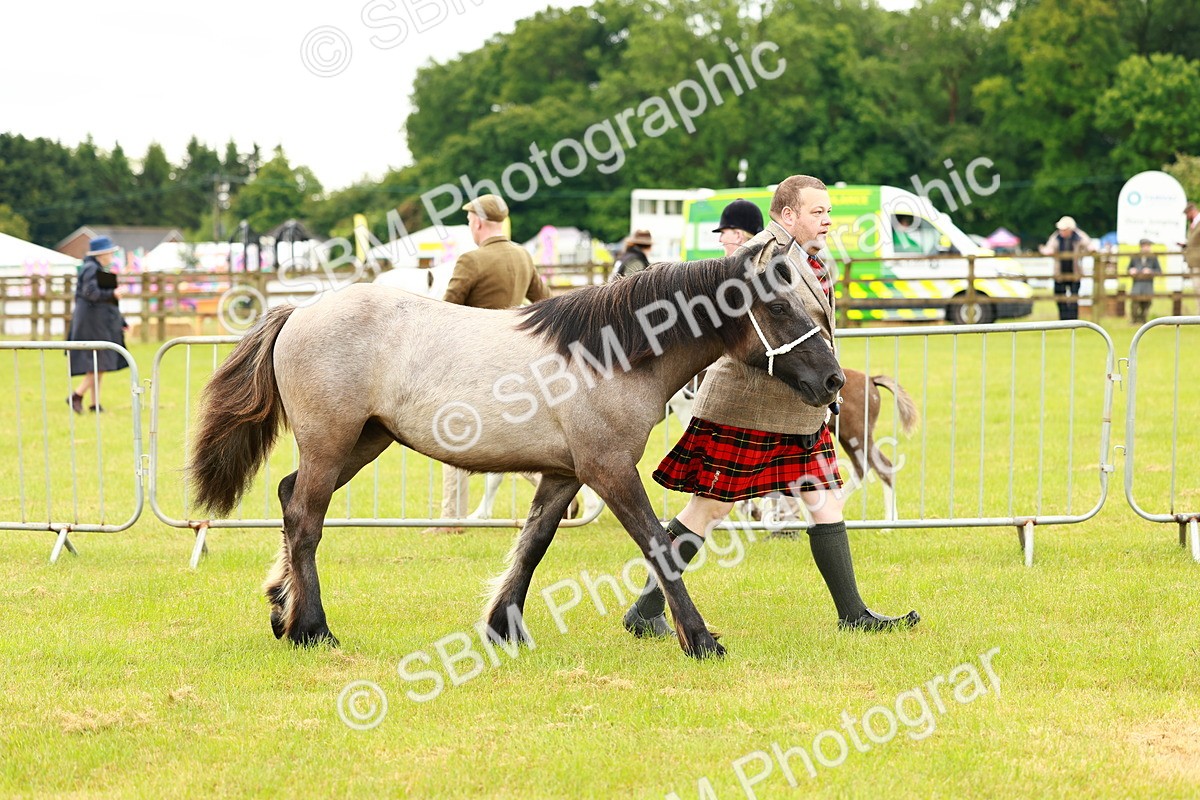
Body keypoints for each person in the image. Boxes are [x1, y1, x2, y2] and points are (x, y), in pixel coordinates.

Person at [621, 175, 920, 638]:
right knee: (706, 511)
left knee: (823, 500)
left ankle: (853, 614)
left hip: (800, 407)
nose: (827, 220)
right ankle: (645, 609)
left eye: (828, 212)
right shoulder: (760, 257)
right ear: (787, 215)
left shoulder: (812, 259)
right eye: (817, 212)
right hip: (747, 405)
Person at [424, 193, 549, 534]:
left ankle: (451, 520)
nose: (469, 227)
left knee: (452, 431)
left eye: (469, 222)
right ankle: (548, 482)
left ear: (477, 222)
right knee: (505, 435)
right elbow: (546, 304)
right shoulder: (523, 256)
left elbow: (443, 312)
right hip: (511, 361)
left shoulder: (471, 261)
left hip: (471, 363)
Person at [67, 236, 128, 413]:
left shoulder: (96, 268)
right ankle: (76, 396)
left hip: (98, 321)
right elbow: (91, 293)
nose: (112, 255)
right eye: (110, 252)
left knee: (99, 362)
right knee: (98, 363)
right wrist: (114, 293)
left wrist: (120, 320)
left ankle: (95, 403)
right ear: (102, 253)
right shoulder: (91, 268)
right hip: (92, 323)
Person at [1038, 216, 1094, 321]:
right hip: (1059, 273)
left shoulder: (1079, 236)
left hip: (1075, 273)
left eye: (1064, 229)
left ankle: (1073, 320)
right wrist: (1046, 250)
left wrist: (1091, 248)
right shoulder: (1056, 237)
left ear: (1070, 229)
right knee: (1059, 297)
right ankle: (1063, 319)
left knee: (1074, 298)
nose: (1062, 231)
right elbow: (1049, 247)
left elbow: (1088, 244)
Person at [1127, 238, 1161, 325]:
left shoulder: (1153, 258)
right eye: (1146, 246)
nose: (1147, 248)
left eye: (1148, 246)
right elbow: (1128, 269)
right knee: (1134, 303)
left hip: (1148, 284)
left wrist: (1150, 271)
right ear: (1141, 246)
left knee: (1146, 304)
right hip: (1137, 284)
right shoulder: (1135, 257)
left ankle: (1143, 320)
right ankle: (1134, 320)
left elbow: (1159, 271)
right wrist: (1131, 270)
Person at [1182, 202, 1200, 311]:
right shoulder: (1194, 223)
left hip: (1198, 262)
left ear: (1192, 211)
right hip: (1194, 263)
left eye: (1187, 214)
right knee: (1197, 290)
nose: (1187, 217)